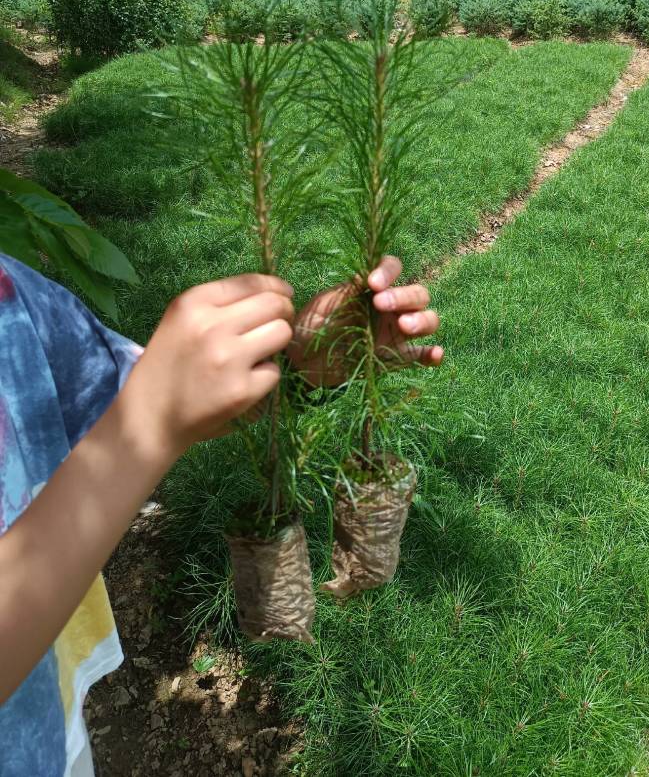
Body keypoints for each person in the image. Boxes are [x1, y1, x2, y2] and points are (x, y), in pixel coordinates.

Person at [0, 252, 442, 776]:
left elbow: (134, 404)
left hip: (48, 720)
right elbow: (144, 416)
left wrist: (296, 369)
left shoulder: (15, 300)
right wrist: (151, 421)